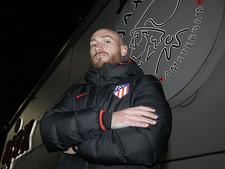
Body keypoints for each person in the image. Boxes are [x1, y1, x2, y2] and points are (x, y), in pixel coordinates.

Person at [40, 28, 172, 169]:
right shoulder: (76, 92)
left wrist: (79, 147)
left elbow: (146, 143)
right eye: (93, 45)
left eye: (106, 41)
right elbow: (49, 128)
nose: (98, 47)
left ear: (123, 50)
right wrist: (105, 120)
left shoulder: (143, 83)